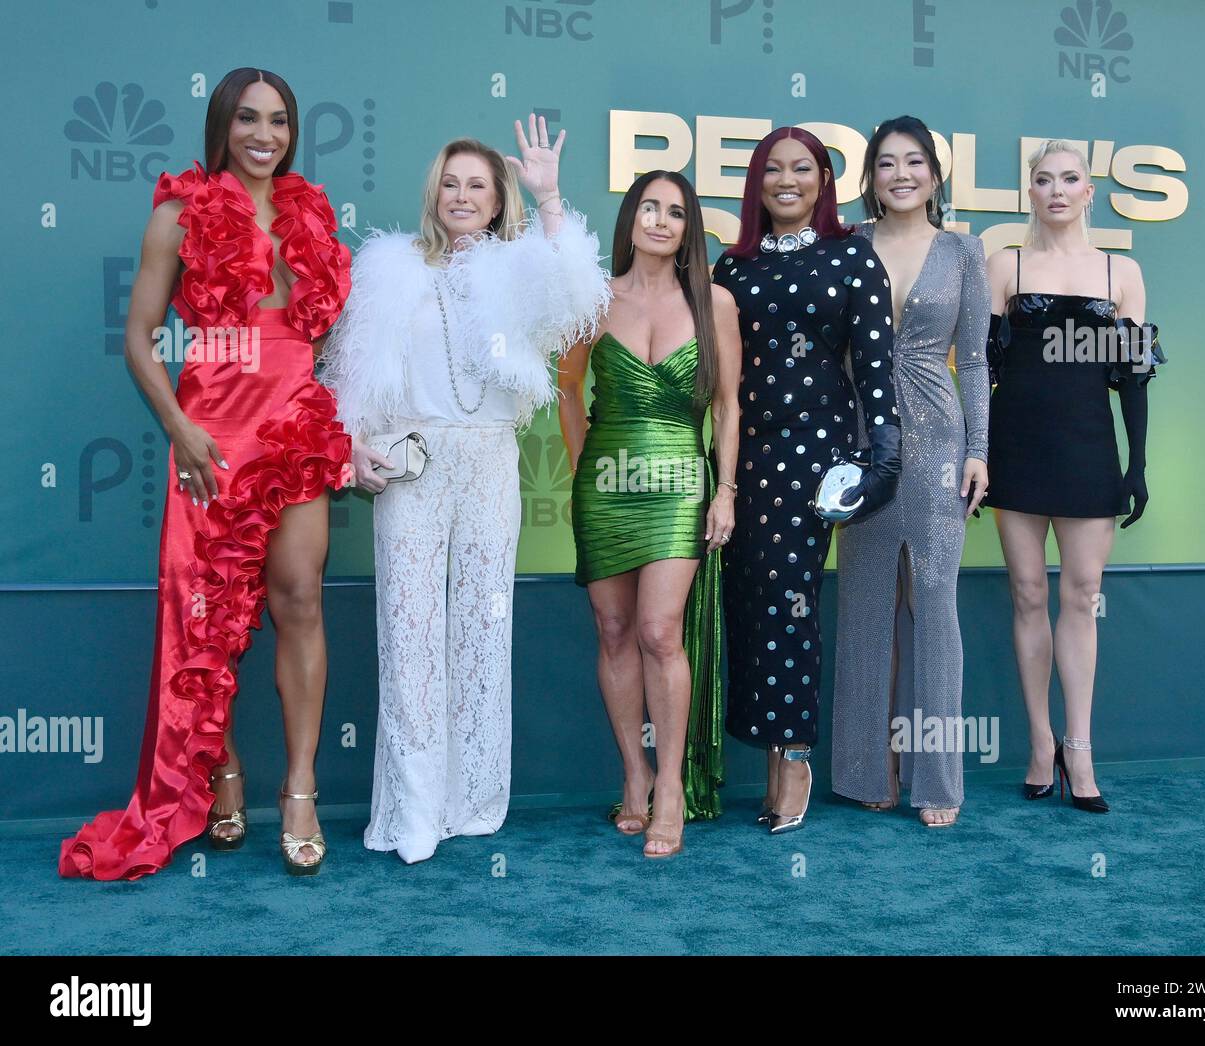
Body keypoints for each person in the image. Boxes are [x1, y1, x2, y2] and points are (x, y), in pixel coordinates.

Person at [60, 68, 353, 879]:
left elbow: (320, 331)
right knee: (206, 614)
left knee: (300, 598)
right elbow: (140, 336)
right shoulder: (178, 214)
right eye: (250, 120)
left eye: (281, 121)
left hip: (293, 426)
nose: (266, 135)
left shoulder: (313, 215)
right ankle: (220, 772)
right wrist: (181, 428)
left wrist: (311, 391)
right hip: (212, 432)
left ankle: (300, 788)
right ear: (223, 126)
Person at [320, 116, 609, 862]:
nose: (461, 195)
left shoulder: (520, 272)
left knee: (482, 629)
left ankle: (473, 799)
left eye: (477, 184)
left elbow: (575, 298)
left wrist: (550, 200)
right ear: (433, 194)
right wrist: (353, 444)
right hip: (412, 462)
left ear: (496, 197)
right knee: (410, 632)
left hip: (489, 464)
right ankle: (413, 810)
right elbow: (354, 377)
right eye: (449, 183)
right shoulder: (387, 270)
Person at [712, 126, 900, 834]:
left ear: (824, 180)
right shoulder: (734, 268)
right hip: (742, 461)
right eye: (772, 171)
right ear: (757, 184)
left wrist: (881, 463)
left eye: (802, 169)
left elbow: (876, 370)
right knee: (752, 603)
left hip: (816, 458)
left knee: (792, 601)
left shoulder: (854, 256)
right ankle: (765, 753)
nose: (786, 181)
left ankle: (795, 758)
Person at [559, 170, 741, 858]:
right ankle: (632, 774)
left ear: (688, 227)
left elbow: (728, 405)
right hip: (605, 481)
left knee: (661, 631)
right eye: (648, 207)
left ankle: (670, 785)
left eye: (675, 211)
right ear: (629, 217)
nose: (660, 220)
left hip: (677, 484)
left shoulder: (714, 302)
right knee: (613, 629)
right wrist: (581, 469)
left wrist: (725, 491)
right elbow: (568, 389)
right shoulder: (591, 300)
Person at [984, 140, 1164, 813]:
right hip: (1016, 447)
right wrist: (976, 453)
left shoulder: (1123, 272)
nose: (1056, 189)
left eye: (1070, 179)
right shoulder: (1006, 264)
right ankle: (1039, 745)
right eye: (1042, 179)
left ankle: (1080, 748)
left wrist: (1137, 464)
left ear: (1090, 192)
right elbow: (981, 372)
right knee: (1028, 593)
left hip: (1090, 448)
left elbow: (1136, 377)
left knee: (1082, 594)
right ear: (1028, 192)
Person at [831, 115, 991, 828]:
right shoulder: (847, 245)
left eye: (915, 162)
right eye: (887, 163)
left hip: (937, 437)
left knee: (934, 605)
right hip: (861, 437)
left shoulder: (963, 251)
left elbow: (979, 360)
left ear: (935, 174)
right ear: (870, 177)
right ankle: (868, 769)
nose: (901, 174)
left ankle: (938, 782)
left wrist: (979, 449)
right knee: (865, 605)